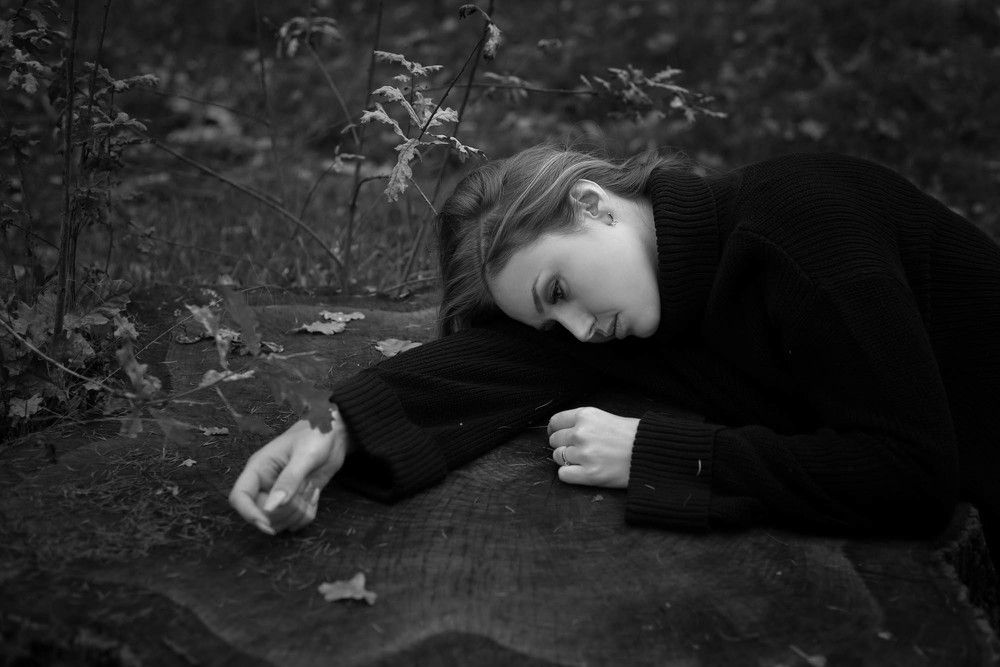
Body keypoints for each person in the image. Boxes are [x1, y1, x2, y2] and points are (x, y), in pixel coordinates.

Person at [228, 145, 1000, 566]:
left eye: (559, 289)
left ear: (593, 204)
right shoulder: (640, 308)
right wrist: (333, 424)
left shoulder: (799, 229)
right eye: (548, 319)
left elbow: (910, 474)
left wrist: (656, 455)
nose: (576, 332)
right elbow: (501, 363)